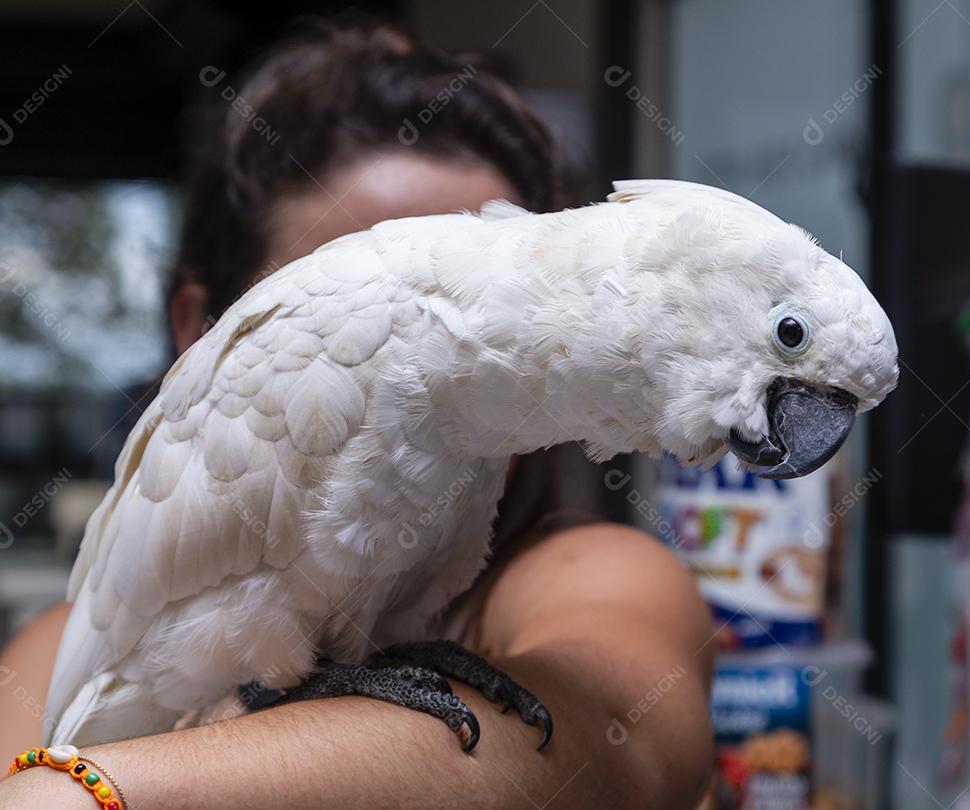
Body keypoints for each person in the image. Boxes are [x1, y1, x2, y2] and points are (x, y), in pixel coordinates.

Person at [0, 18, 713, 809]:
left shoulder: (590, 576)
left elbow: (615, 751)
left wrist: (90, 792)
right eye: (357, 309)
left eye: (473, 303)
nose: (430, 342)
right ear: (205, 333)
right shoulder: (74, 641)